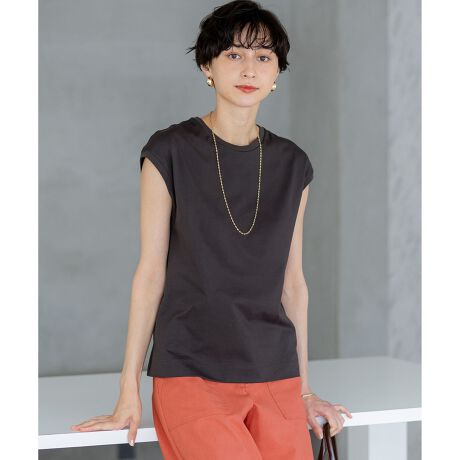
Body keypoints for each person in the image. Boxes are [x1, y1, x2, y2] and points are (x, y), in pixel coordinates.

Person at [71, 1, 352, 458]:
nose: (249, 69)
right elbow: (151, 274)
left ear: (277, 73)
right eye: (233, 54)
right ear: (208, 66)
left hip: (275, 373)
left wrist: (303, 389)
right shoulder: (169, 151)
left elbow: (293, 284)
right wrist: (128, 390)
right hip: (191, 371)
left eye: (263, 57)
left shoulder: (293, 164)